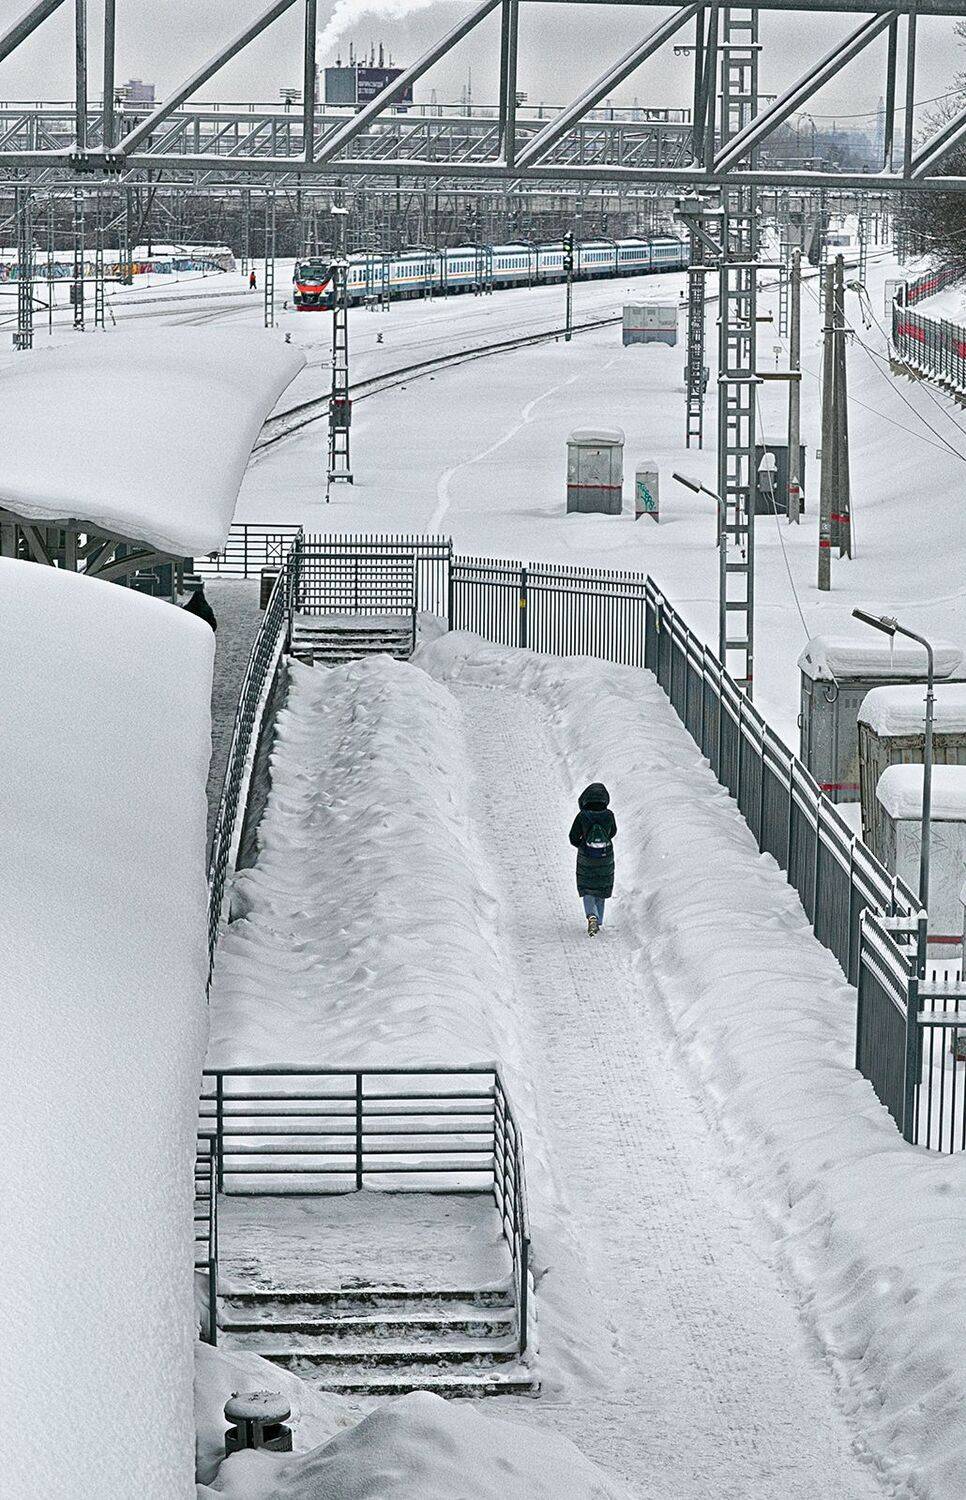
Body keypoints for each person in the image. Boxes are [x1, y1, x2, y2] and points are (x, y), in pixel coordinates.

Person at [569, 783, 616, 937]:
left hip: (586, 857)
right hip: (605, 857)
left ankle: (591, 916)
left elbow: (573, 837)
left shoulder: (583, 816)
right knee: (601, 888)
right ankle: (599, 920)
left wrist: (583, 846)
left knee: (587, 888)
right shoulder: (609, 815)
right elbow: (613, 832)